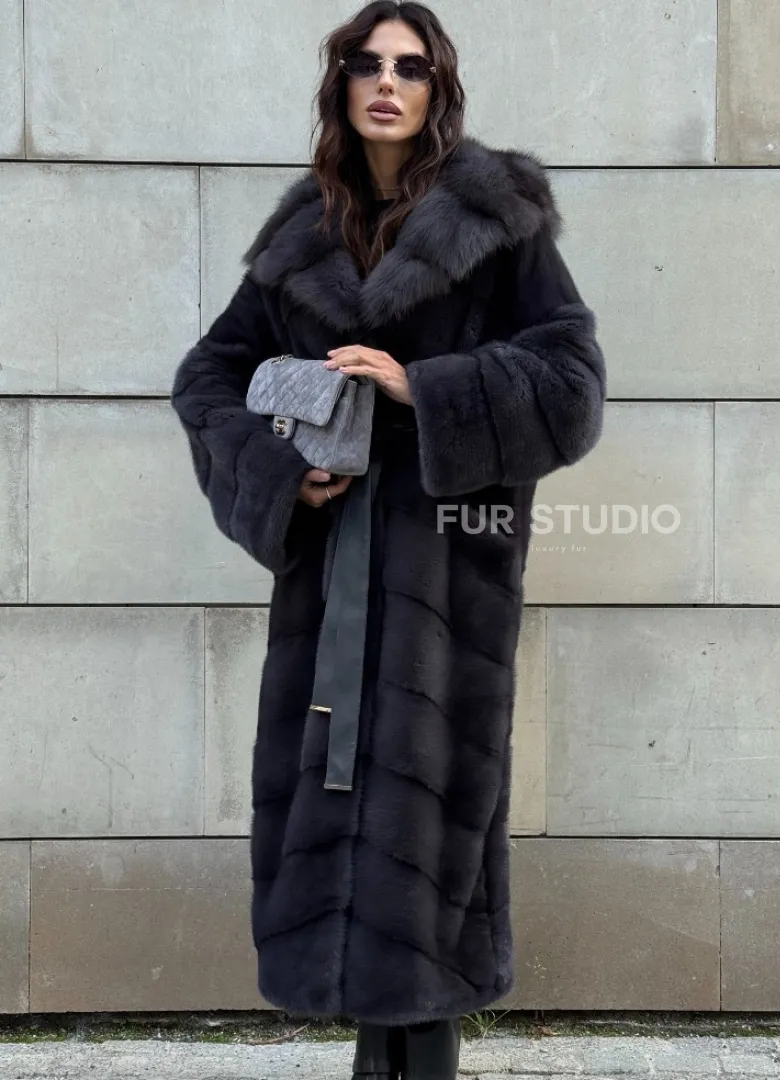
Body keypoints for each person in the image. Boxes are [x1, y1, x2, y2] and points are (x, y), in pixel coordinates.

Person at [171, 2, 606, 1076]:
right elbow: (207, 379)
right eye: (366, 63)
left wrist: (423, 386)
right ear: (340, 83)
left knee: (428, 833)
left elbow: (571, 385)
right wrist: (283, 474)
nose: (386, 82)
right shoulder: (298, 238)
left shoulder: (497, 223)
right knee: (336, 806)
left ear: (436, 89)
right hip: (328, 576)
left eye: (411, 68)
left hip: (445, 581)